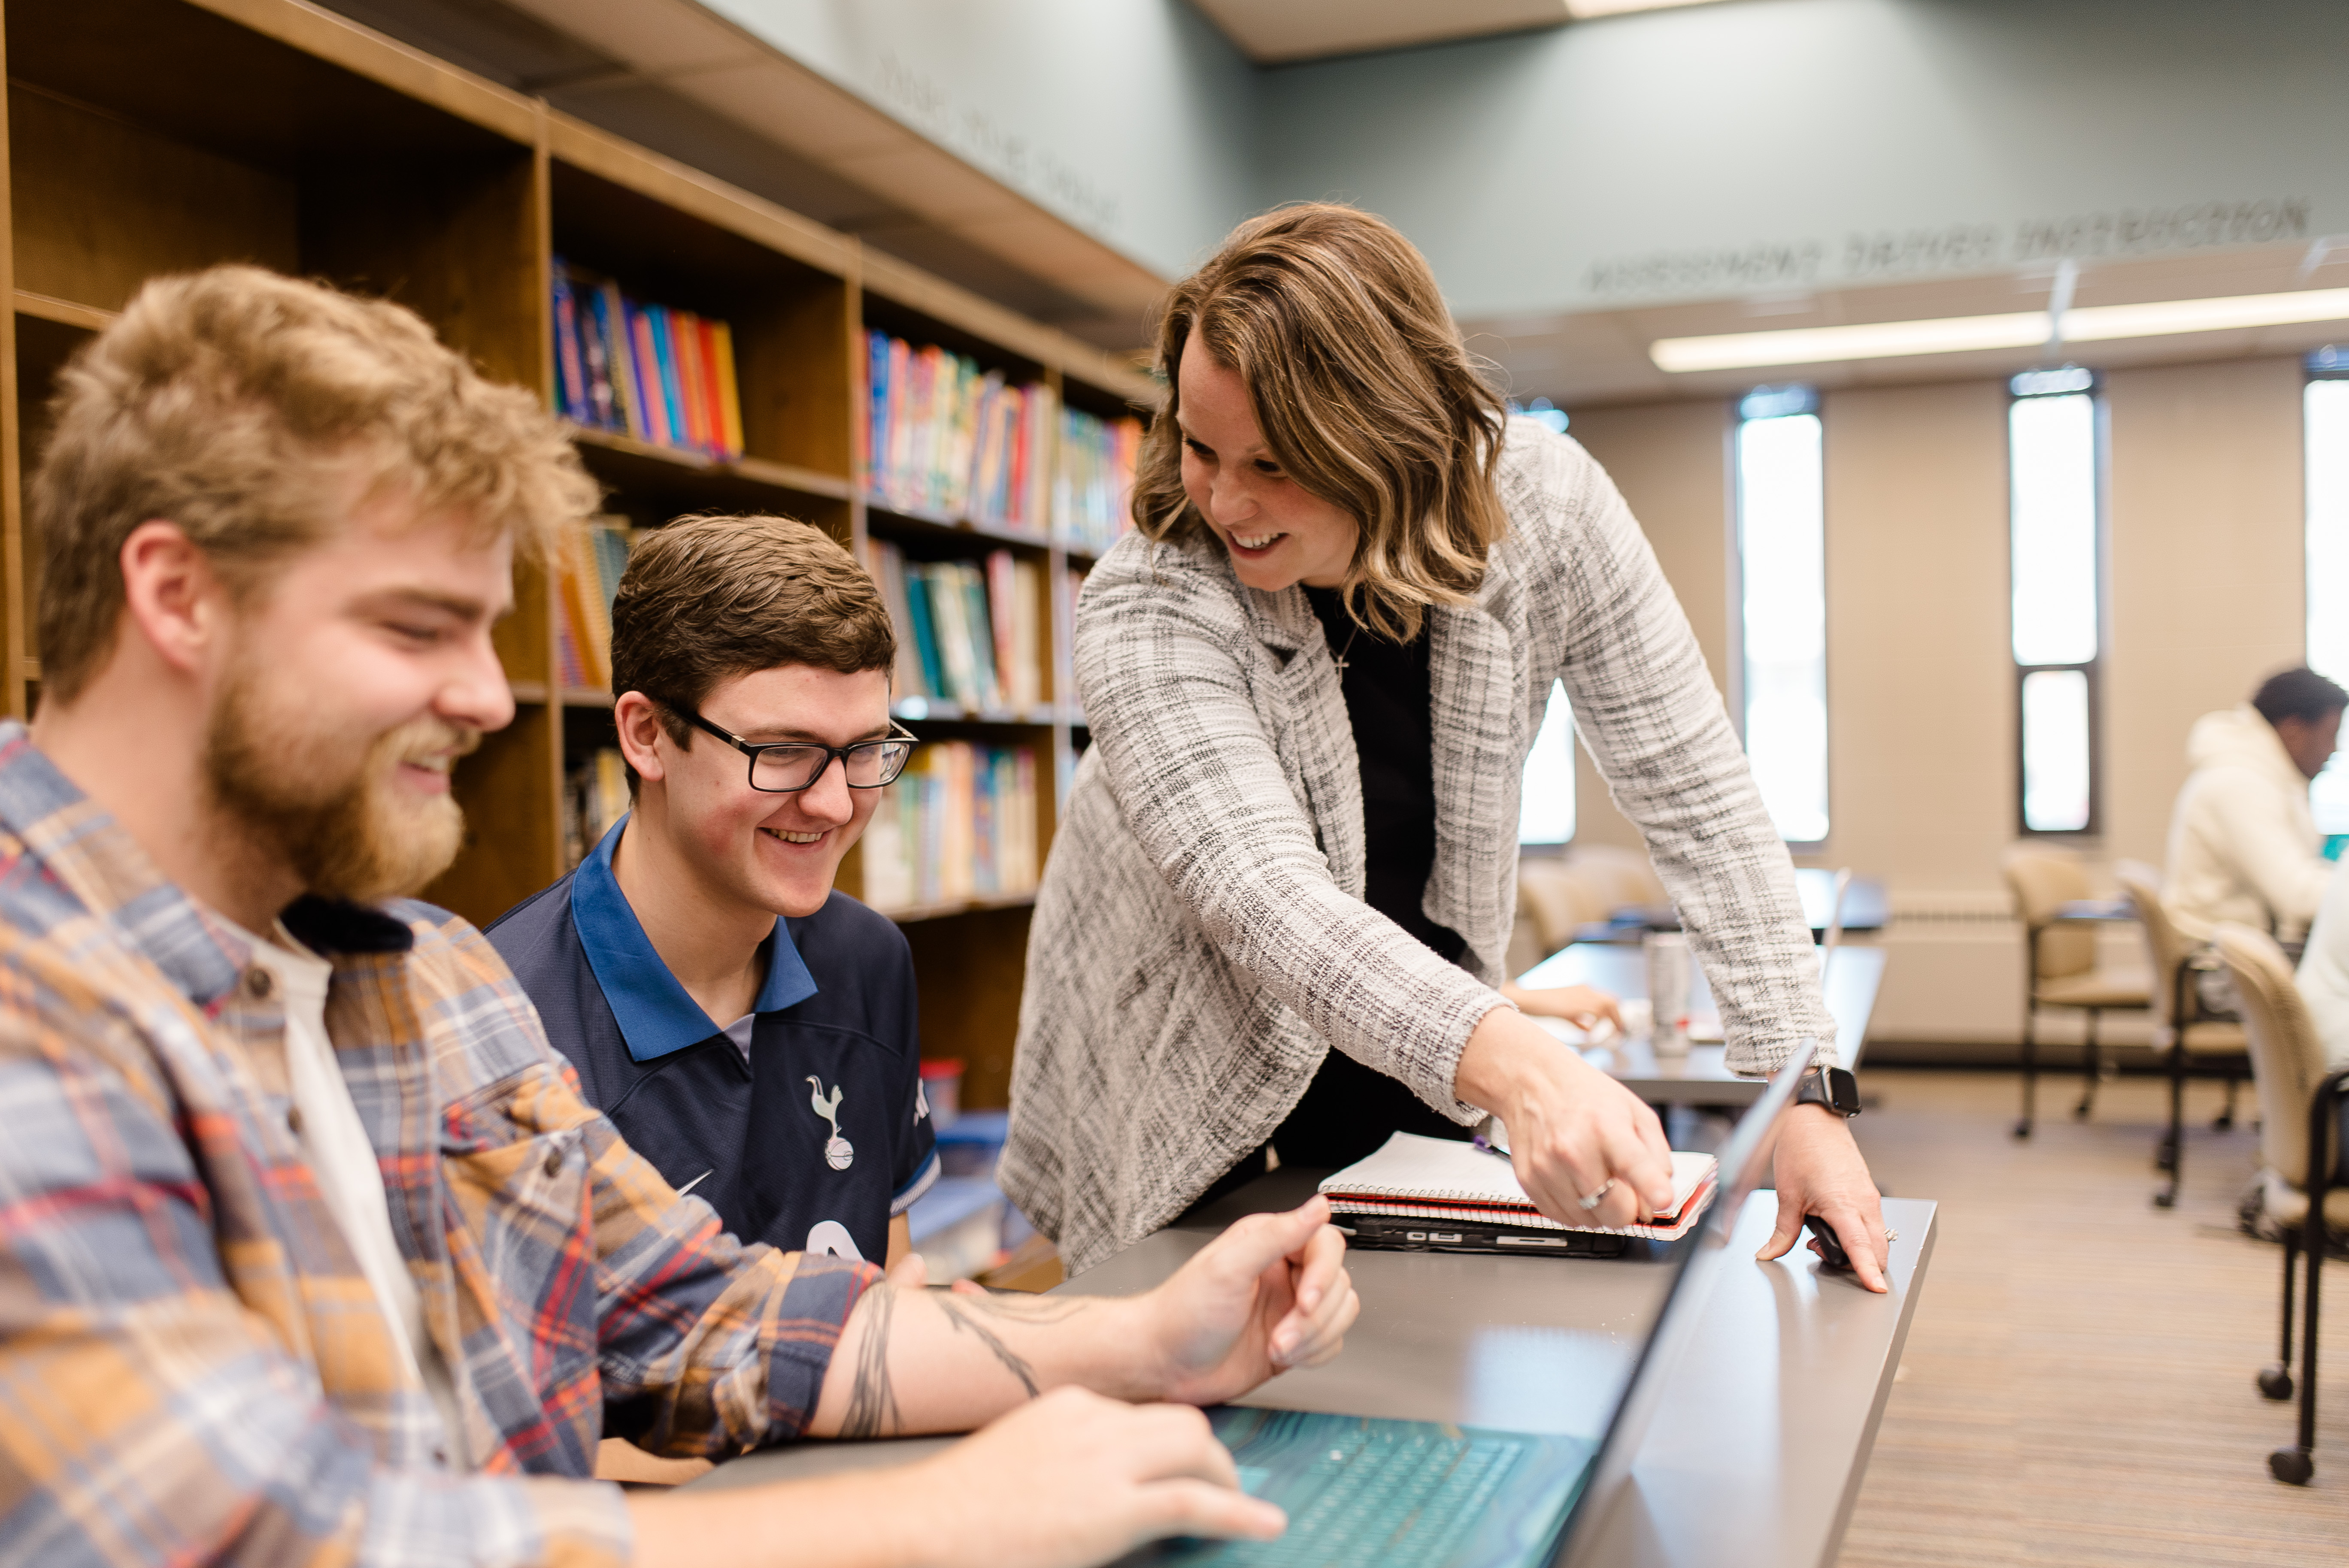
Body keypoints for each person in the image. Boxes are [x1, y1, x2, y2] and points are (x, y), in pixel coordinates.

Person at [0, 263, 1357, 1568]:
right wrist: (928, 1523)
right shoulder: (34, 1008)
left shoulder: (422, 981)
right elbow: (272, 1541)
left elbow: (709, 1312)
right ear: (176, 596)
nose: (486, 697)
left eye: (484, 634)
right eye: (418, 628)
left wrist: (1140, 1337)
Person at [1002, 203, 1891, 1292]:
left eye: (1274, 465)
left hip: (1414, 1031)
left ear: (1385, 442)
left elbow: (1694, 790)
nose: (1224, 500)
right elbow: (1264, 900)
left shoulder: (1545, 506)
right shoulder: (1147, 601)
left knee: (1414, 1346)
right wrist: (1516, 1066)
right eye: (1198, 446)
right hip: (1185, 1055)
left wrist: (1799, 1090)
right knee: (1203, 1366)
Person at [490, 515, 934, 1275]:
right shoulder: (508, 1028)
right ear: (648, 734)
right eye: (783, 751)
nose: (834, 804)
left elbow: (894, 1287)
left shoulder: (869, 959)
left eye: (864, 750)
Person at [2165, 666, 2346, 944]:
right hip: (2222, 967)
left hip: (2240, 952)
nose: (2333, 750)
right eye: (2329, 735)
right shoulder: (2239, 783)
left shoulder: (2262, 778)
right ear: (2294, 731)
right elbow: (2297, 895)